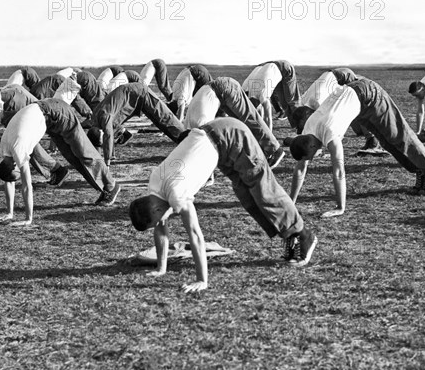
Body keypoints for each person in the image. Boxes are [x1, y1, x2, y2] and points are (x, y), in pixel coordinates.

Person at [129, 117, 317, 293]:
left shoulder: (176, 193)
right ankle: (289, 235)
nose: (162, 222)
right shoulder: (154, 186)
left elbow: (195, 235)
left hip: (229, 135)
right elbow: (161, 228)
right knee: (247, 197)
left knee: (263, 189)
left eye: (157, 220)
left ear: (155, 209)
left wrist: (202, 280)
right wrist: (162, 269)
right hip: (219, 143)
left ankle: (303, 235)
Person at [289, 79, 425, 218]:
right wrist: (291, 201)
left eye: (311, 156)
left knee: (399, 136)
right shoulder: (307, 130)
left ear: (312, 145)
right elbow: (301, 169)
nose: (312, 158)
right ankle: (419, 169)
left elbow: (339, 171)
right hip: (356, 101)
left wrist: (340, 207)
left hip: (370, 95)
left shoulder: (330, 133)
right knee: (387, 141)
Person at [36, 99, 120, 205]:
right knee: (72, 157)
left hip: (56, 113)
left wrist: (108, 158)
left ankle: (110, 185)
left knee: (83, 152)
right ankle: (104, 188)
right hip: (48, 117)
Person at [87, 83, 186, 167]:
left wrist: (107, 164)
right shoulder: (96, 121)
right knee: (160, 123)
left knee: (165, 119)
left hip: (140, 93)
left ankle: (188, 139)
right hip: (133, 99)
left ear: (101, 131)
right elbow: (106, 138)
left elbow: (108, 136)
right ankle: (184, 143)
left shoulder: (104, 116)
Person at [205, 77, 285, 168]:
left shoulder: (260, 93)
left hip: (224, 88)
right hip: (222, 90)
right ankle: (261, 150)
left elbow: (266, 113)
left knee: (250, 119)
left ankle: (275, 149)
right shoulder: (251, 93)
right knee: (242, 122)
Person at [243, 60, 301, 131]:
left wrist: (269, 137)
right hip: (265, 67)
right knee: (283, 102)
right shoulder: (243, 91)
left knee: (291, 101)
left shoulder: (262, 96)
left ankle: (303, 125)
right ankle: (296, 126)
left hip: (283, 67)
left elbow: (267, 118)